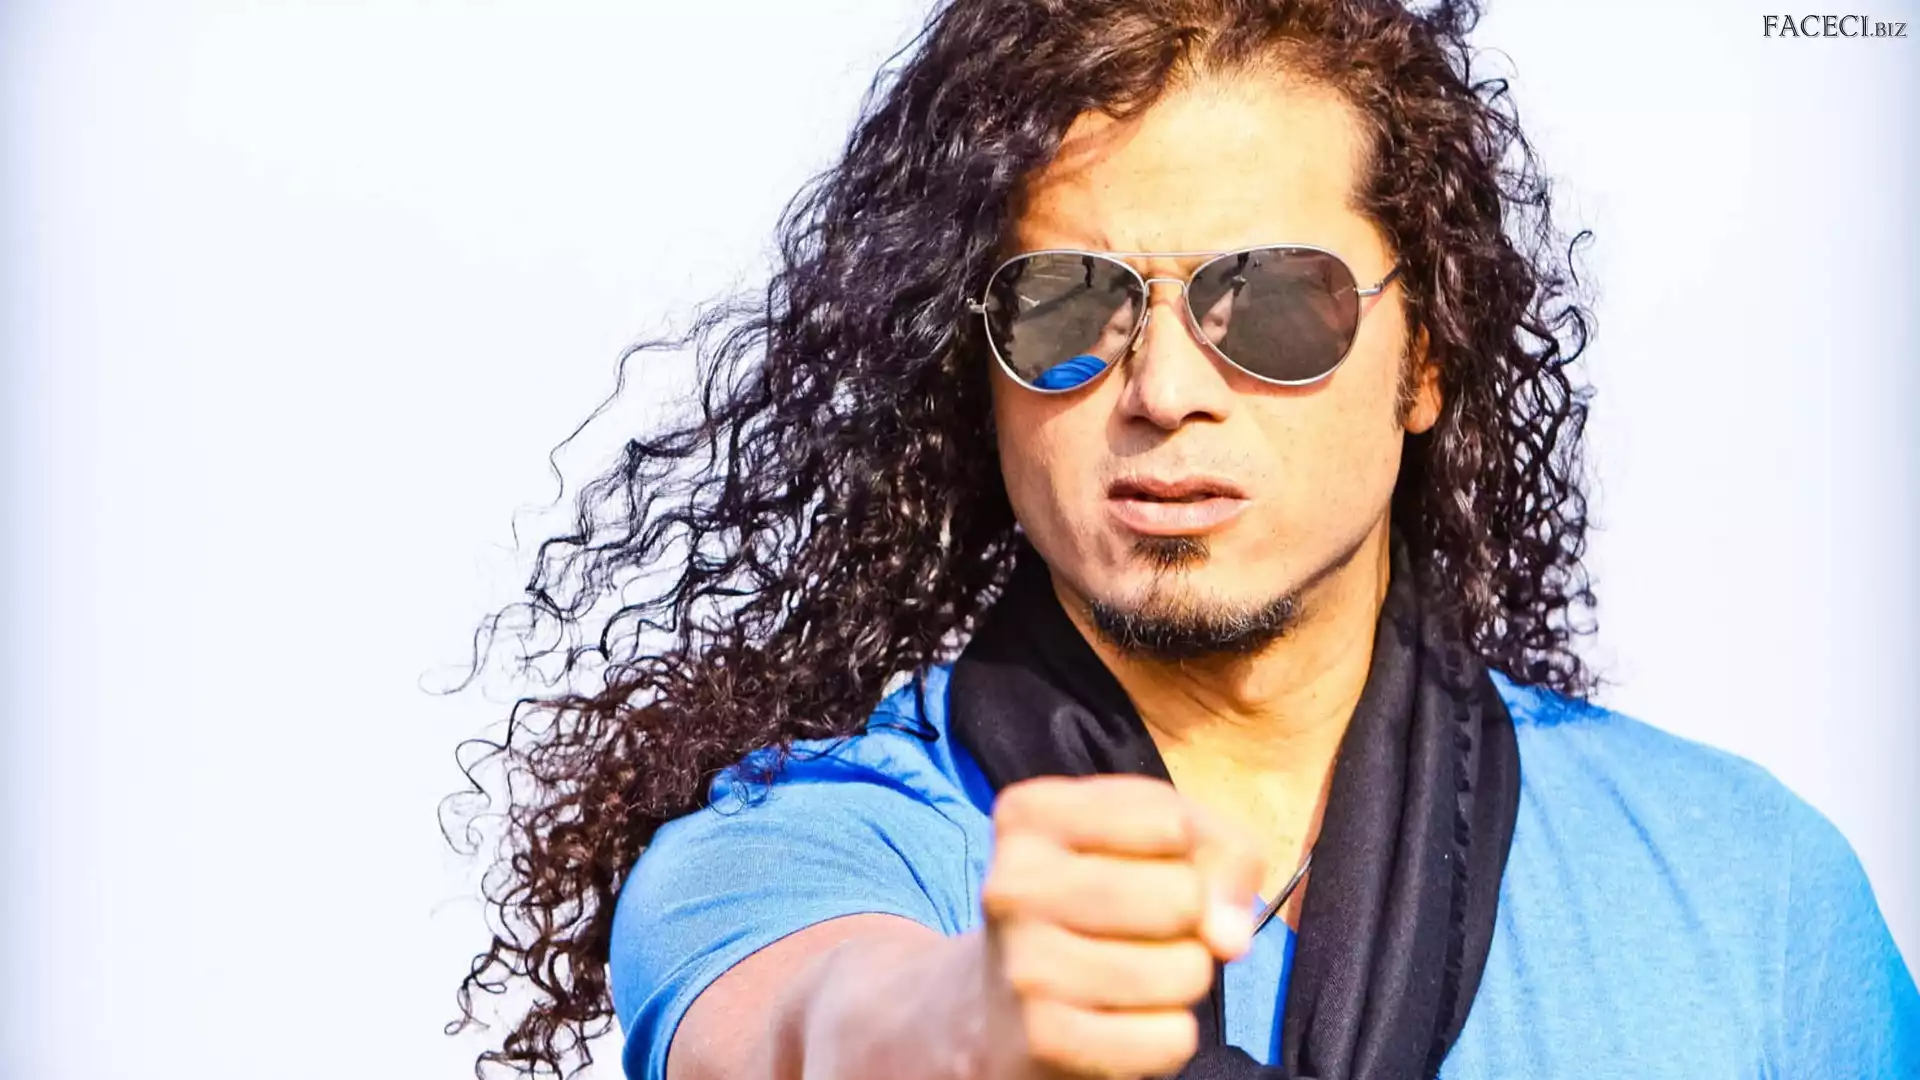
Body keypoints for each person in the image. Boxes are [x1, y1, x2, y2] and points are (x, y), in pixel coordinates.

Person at [449, 1, 1920, 1077]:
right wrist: (970, 1024)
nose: (1163, 388)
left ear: (1424, 359)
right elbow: (808, 1028)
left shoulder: (1752, 891)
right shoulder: (789, 849)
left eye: (1271, 302)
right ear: (976, 375)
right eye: (1068, 307)